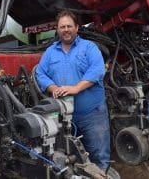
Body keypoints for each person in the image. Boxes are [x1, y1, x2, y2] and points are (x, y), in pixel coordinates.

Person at [35, 10, 110, 169]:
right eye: (62, 27)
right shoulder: (50, 52)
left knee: (99, 157)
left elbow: (97, 69)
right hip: (64, 118)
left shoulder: (89, 47)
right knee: (71, 157)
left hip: (92, 114)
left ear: (77, 28)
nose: (66, 29)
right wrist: (53, 87)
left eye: (69, 26)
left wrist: (77, 88)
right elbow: (40, 73)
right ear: (57, 29)